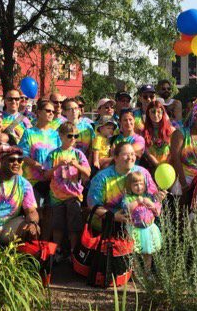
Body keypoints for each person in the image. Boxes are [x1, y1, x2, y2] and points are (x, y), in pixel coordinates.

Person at [44, 121, 91, 258]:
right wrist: (57, 166)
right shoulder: (53, 154)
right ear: (61, 136)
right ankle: (57, 250)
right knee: (57, 226)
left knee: (74, 227)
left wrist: (77, 165)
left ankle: (73, 251)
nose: (73, 139)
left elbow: (87, 173)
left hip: (74, 195)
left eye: (76, 136)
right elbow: (46, 175)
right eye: (70, 136)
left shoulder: (78, 154)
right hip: (56, 196)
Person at [87, 140, 159, 217]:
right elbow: (93, 204)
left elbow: (154, 198)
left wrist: (157, 198)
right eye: (126, 154)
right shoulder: (102, 177)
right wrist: (113, 216)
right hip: (109, 224)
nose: (130, 157)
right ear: (115, 157)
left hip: (141, 223)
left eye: (132, 154)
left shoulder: (143, 173)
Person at [19, 99, 63, 207]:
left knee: (50, 216)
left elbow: (60, 154)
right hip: (33, 181)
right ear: (38, 112)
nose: (51, 113)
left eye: (53, 111)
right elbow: (23, 155)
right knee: (35, 213)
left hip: (52, 181)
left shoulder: (55, 135)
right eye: (48, 110)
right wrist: (39, 167)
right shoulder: (29, 133)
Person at [120, 170, 163, 268]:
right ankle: (136, 274)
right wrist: (136, 202)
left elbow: (157, 211)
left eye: (141, 184)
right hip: (135, 230)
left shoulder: (149, 196)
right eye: (135, 184)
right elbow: (126, 209)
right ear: (129, 186)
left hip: (149, 229)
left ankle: (147, 272)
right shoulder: (128, 198)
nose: (139, 187)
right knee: (135, 253)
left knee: (148, 253)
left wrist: (150, 203)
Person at [171, 104, 197, 196]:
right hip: (182, 176)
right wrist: (184, 184)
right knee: (181, 207)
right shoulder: (180, 134)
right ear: (192, 116)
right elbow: (175, 159)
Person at [140, 100, 175, 171]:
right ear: (148, 114)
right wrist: (158, 165)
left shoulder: (171, 130)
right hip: (152, 168)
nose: (156, 115)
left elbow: (173, 151)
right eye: (153, 112)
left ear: (163, 113)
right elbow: (147, 153)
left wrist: (166, 165)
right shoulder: (143, 132)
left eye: (159, 112)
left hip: (169, 167)